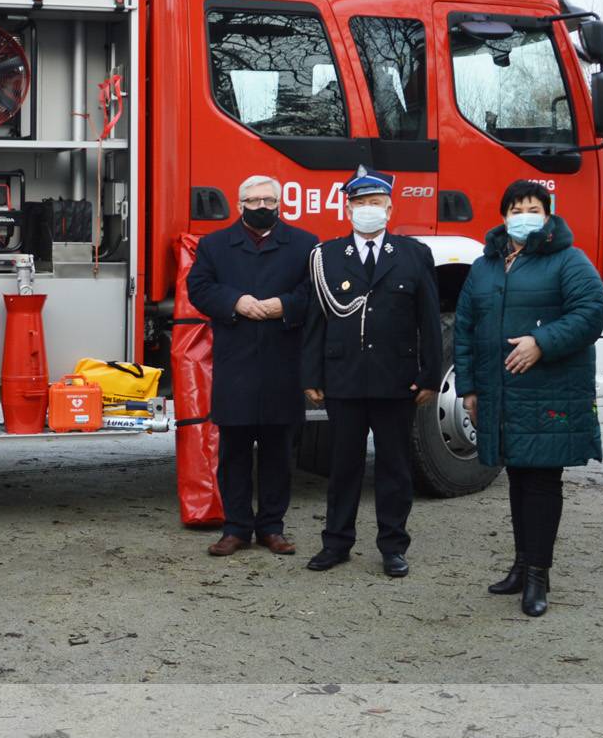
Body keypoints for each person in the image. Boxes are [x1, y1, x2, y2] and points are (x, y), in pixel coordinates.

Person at [454, 180, 603, 616]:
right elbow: (465, 327)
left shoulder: (568, 259)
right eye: (517, 207)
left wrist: (541, 341)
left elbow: (590, 312)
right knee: (518, 479)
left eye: (533, 207)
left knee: (541, 481)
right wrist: (468, 387)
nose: (525, 214)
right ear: (504, 215)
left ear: (547, 214)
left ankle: (539, 575)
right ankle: (522, 566)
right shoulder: (485, 265)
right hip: (500, 392)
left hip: (548, 392)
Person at [301, 166, 442, 577]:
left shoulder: (415, 255)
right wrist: (311, 376)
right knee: (343, 467)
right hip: (343, 379)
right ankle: (336, 543)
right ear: (348, 209)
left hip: (395, 380)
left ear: (390, 208)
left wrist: (431, 375)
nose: (368, 210)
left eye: (375, 203)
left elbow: (429, 321)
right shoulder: (326, 256)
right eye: (360, 203)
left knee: (394, 467)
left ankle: (393, 546)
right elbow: (316, 320)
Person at [187, 175, 319, 557]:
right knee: (234, 452)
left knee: (279, 451)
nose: (261, 206)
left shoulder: (305, 244)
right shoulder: (213, 245)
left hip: (283, 361)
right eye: (254, 200)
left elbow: (314, 290)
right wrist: (235, 302)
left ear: (280, 203)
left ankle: (272, 528)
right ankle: (237, 528)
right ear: (238, 202)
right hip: (236, 363)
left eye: (268, 200)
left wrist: (286, 305)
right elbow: (198, 287)